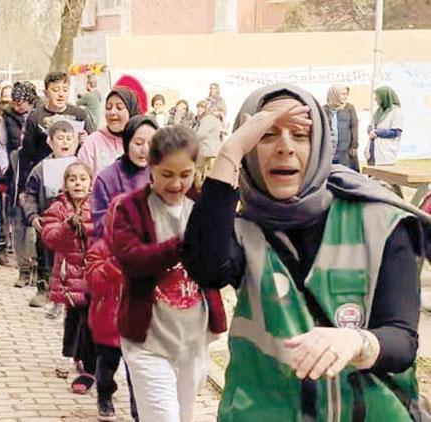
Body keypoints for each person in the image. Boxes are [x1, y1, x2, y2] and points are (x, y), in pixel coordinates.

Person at [183, 83, 431, 421]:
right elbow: (204, 266)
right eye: (266, 135)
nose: (284, 147)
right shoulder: (243, 230)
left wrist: (356, 342)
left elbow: (401, 341)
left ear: (319, 147)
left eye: (300, 135)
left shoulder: (381, 222)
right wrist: (231, 150)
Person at [108, 125, 226, 422]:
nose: (176, 184)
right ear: (151, 168)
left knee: (184, 416)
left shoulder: (201, 206)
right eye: (167, 174)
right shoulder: (130, 209)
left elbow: (220, 265)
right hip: (147, 342)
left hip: (193, 340)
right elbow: (131, 260)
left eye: (185, 174)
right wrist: (182, 245)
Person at [86, 115, 158, 422]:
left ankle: (139, 412)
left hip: (150, 275)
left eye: (152, 144)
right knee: (110, 353)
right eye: (138, 142)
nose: (144, 150)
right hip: (115, 269)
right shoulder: (108, 177)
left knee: (140, 359)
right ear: (127, 142)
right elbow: (99, 222)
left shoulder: (163, 174)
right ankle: (104, 392)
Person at [41, 161, 97, 395]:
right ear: (65, 184)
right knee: (73, 317)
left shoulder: (97, 205)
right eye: (73, 179)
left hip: (93, 274)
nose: (78, 183)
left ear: (90, 183)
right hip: (69, 274)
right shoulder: (58, 208)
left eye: (82, 179)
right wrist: (67, 227)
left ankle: (84, 358)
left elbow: (105, 229)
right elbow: (49, 236)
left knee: (90, 320)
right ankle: (67, 355)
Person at [23, 121, 79, 308]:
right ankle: (43, 289)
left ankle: (68, 291)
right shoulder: (41, 169)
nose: (65, 142)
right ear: (50, 142)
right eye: (60, 138)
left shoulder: (80, 167)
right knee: (45, 257)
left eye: (69, 138)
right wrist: (33, 217)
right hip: (47, 223)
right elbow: (29, 195)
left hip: (72, 223)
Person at [17, 71, 95, 201]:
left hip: (75, 178)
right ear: (46, 92)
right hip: (45, 178)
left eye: (64, 90)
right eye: (55, 90)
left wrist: (85, 140)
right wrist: (23, 189)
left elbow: (92, 144)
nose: (60, 94)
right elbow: (26, 154)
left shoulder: (80, 114)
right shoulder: (36, 117)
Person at [0, 81, 38, 288]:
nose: (17, 105)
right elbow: (1, 146)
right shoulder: (7, 118)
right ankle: (22, 269)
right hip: (15, 175)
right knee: (18, 224)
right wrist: (6, 168)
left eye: (20, 101)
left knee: (34, 228)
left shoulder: (40, 116)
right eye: (14, 101)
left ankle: (35, 269)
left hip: (37, 175)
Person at [77, 88, 141, 176]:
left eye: (119, 107)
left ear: (131, 111)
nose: (112, 112)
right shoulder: (92, 142)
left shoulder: (142, 141)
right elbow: (80, 178)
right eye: (108, 108)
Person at [323, 84, 360, 171]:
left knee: (346, 172)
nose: (345, 97)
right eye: (342, 94)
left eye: (346, 94)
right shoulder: (325, 109)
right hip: (329, 147)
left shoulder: (349, 108)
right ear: (334, 94)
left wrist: (354, 145)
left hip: (345, 148)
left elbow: (354, 126)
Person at [367, 85, 403, 166]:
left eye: (378, 97)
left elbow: (396, 132)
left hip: (385, 151)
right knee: (372, 175)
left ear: (384, 97)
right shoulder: (379, 111)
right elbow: (371, 125)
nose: (375, 99)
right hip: (373, 149)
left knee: (383, 176)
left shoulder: (396, 112)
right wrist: (370, 130)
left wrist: (377, 132)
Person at [193, 100, 225, 185]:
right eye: (198, 108)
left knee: (200, 174)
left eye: (202, 108)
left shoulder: (207, 119)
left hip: (206, 151)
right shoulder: (215, 120)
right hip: (214, 151)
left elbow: (200, 134)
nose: (199, 110)